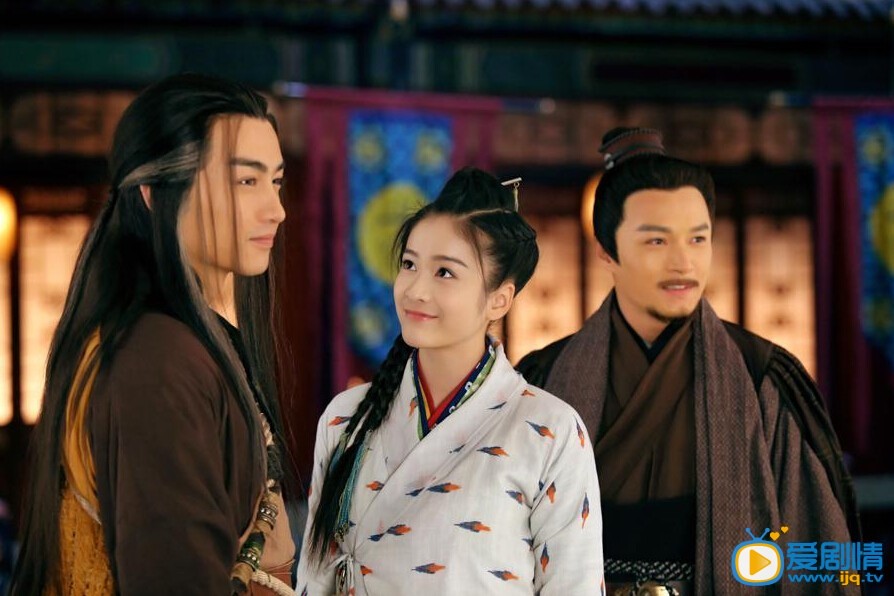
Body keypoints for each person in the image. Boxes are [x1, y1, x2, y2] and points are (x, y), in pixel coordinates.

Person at [517, 128, 860, 595]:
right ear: (606, 251)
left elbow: (817, 542)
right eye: (657, 242)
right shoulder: (544, 380)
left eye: (698, 239)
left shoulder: (762, 378)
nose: (683, 263)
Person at [10, 73, 295, 596]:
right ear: (154, 193)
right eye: (245, 182)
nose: (275, 209)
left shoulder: (173, 343)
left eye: (275, 182)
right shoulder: (157, 360)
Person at [296, 168, 604, 595]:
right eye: (409, 264)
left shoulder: (550, 430)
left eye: (444, 272)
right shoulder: (345, 418)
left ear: (499, 299)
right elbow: (313, 582)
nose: (415, 290)